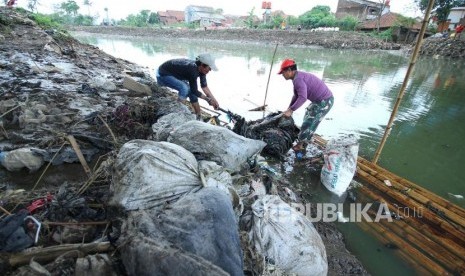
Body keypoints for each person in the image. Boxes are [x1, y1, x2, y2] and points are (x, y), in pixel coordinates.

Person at [278, 58, 334, 159]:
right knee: (307, 119)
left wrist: (291, 110)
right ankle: (302, 143)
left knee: (308, 125)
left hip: (325, 101)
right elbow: (296, 96)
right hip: (318, 101)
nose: (282, 75)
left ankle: (300, 151)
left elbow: (303, 97)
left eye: (283, 72)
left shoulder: (298, 80)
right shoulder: (296, 78)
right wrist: (289, 108)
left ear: (289, 70)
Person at [156, 53, 220, 119]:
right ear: (202, 65)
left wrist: (214, 101)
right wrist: (208, 100)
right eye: (209, 68)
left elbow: (204, 87)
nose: (209, 71)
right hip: (162, 75)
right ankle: (178, 112)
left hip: (175, 75)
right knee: (185, 88)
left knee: (192, 93)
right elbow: (195, 90)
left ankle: (198, 116)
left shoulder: (202, 70)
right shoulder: (192, 70)